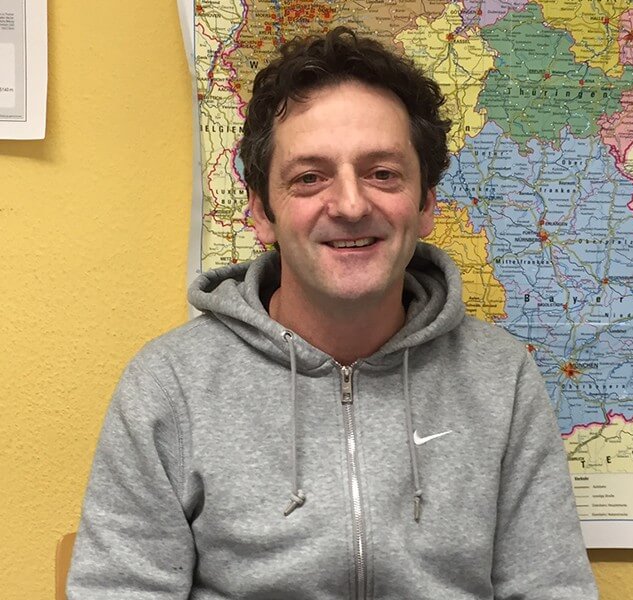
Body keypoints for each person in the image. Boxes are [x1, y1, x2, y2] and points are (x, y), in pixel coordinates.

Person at [68, 27, 598, 599]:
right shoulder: (170, 384)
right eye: (309, 177)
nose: (349, 204)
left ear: (425, 204)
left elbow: (552, 589)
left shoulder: (502, 377)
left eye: (382, 173)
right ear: (262, 214)